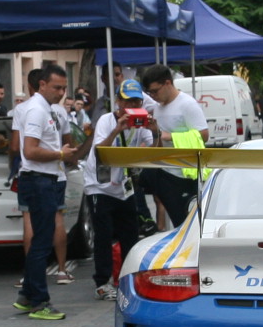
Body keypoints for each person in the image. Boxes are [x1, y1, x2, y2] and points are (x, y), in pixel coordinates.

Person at [13, 63, 80, 320]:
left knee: (41, 240)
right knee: (41, 243)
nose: (61, 93)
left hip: (45, 178)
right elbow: (29, 150)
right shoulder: (36, 110)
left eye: (64, 88)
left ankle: (28, 295)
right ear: (41, 85)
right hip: (39, 179)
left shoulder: (45, 109)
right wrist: (60, 154)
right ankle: (39, 302)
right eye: (56, 87)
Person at [84, 79, 155, 301]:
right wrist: (117, 129)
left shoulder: (141, 123)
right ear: (118, 102)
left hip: (125, 187)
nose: (132, 106)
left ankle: (127, 278)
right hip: (100, 185)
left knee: (130, 233)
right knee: (103, 235)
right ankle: (102, 282)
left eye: (136, 101)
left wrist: (155, 130)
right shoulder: (107, 120)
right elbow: (99, 149)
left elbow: (153, 151)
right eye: (127, 101)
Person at [137, 64, 210, 226]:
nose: (153, 96)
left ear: (167, 83)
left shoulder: (187, 104)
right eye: (150, 93)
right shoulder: (158, 108)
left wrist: (170, 136)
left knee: (188, 223)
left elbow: (204, 135)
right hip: (166, 172)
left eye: (155, 91)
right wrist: (155, 133)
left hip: (186, 174)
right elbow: (160, 141)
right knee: (178, 223)